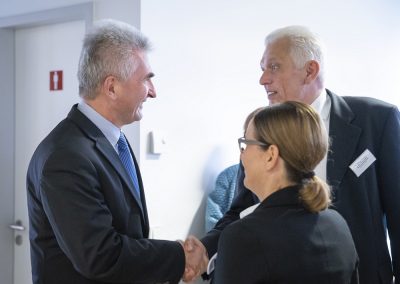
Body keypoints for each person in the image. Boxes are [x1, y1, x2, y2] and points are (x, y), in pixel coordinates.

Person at [196, 25, 400, 284]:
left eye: (274, 67)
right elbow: (241, 210)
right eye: (262, 69)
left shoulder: (377, 120)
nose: (263, 79)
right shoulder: (260, 131)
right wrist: (202, 250)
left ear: (310, 70)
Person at [26, 19, 204, 284]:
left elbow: (129, 231)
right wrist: (179, 256)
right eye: (146, 80)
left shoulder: (112, 140)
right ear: (111, 87)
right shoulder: (65, 156)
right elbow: (100, 256)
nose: (153, 92)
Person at [214, 101, 359, 283]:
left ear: (271, 155)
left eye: (246, 144)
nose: (242, 154)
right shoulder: (337, 224)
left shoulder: (244, 236)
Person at [205, 107, 263, 232]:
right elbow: (218, 219)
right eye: (243, 142)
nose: (242, 154)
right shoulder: (229, 176)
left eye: (249, 143)